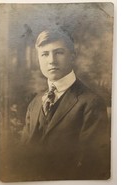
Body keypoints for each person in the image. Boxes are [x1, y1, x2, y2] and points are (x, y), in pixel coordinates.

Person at [19, 28, 110, 180]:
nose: (52, 60)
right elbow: (23, 153)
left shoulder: (91, 103)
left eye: (59, 52)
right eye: (44, 54)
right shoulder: (35, 103)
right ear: (39, 59)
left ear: (72, 56)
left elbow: (93, 165)